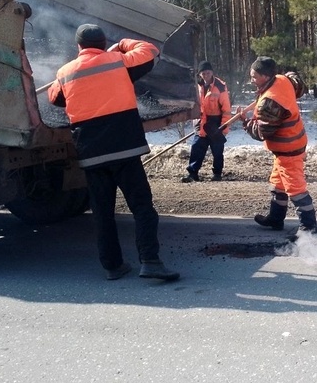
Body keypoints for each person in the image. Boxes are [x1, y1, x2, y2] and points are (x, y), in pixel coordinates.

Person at [48, 24, 179, 281]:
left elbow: (54, 97)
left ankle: (113, 266)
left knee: (103, 212)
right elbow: (150, 51)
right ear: (103, 42)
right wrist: (121, 45)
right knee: (142, 207)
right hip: (124, 148)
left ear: (79, 46)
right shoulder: (119, 61)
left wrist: (67, 75)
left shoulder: (65, 73)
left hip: (92, 153)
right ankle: (150, 261)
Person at [240, 56, 317, 235]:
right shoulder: (283, 79)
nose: (251, 79)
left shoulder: (269, 102)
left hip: (288, 149)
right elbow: (297, 83)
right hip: (291, 143)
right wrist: (292, 76)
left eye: (254, 76)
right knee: (278, 183)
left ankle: (309, 228)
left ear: (266, 77)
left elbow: (262, 133)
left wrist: (246, 123)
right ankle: (276, 219)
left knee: (296, 189)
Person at [181, 60, 232, 182]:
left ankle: (217, 174)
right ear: (200, 74)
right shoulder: (195, 86)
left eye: (208, 72)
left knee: (217, 149)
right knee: (197, 147)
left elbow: (226, 109)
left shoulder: (220, 86)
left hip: (216, 121)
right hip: (201, 121)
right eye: (203, 73)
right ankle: (193, 174)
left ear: (212, 72)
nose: (206, 75)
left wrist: (224, 127)